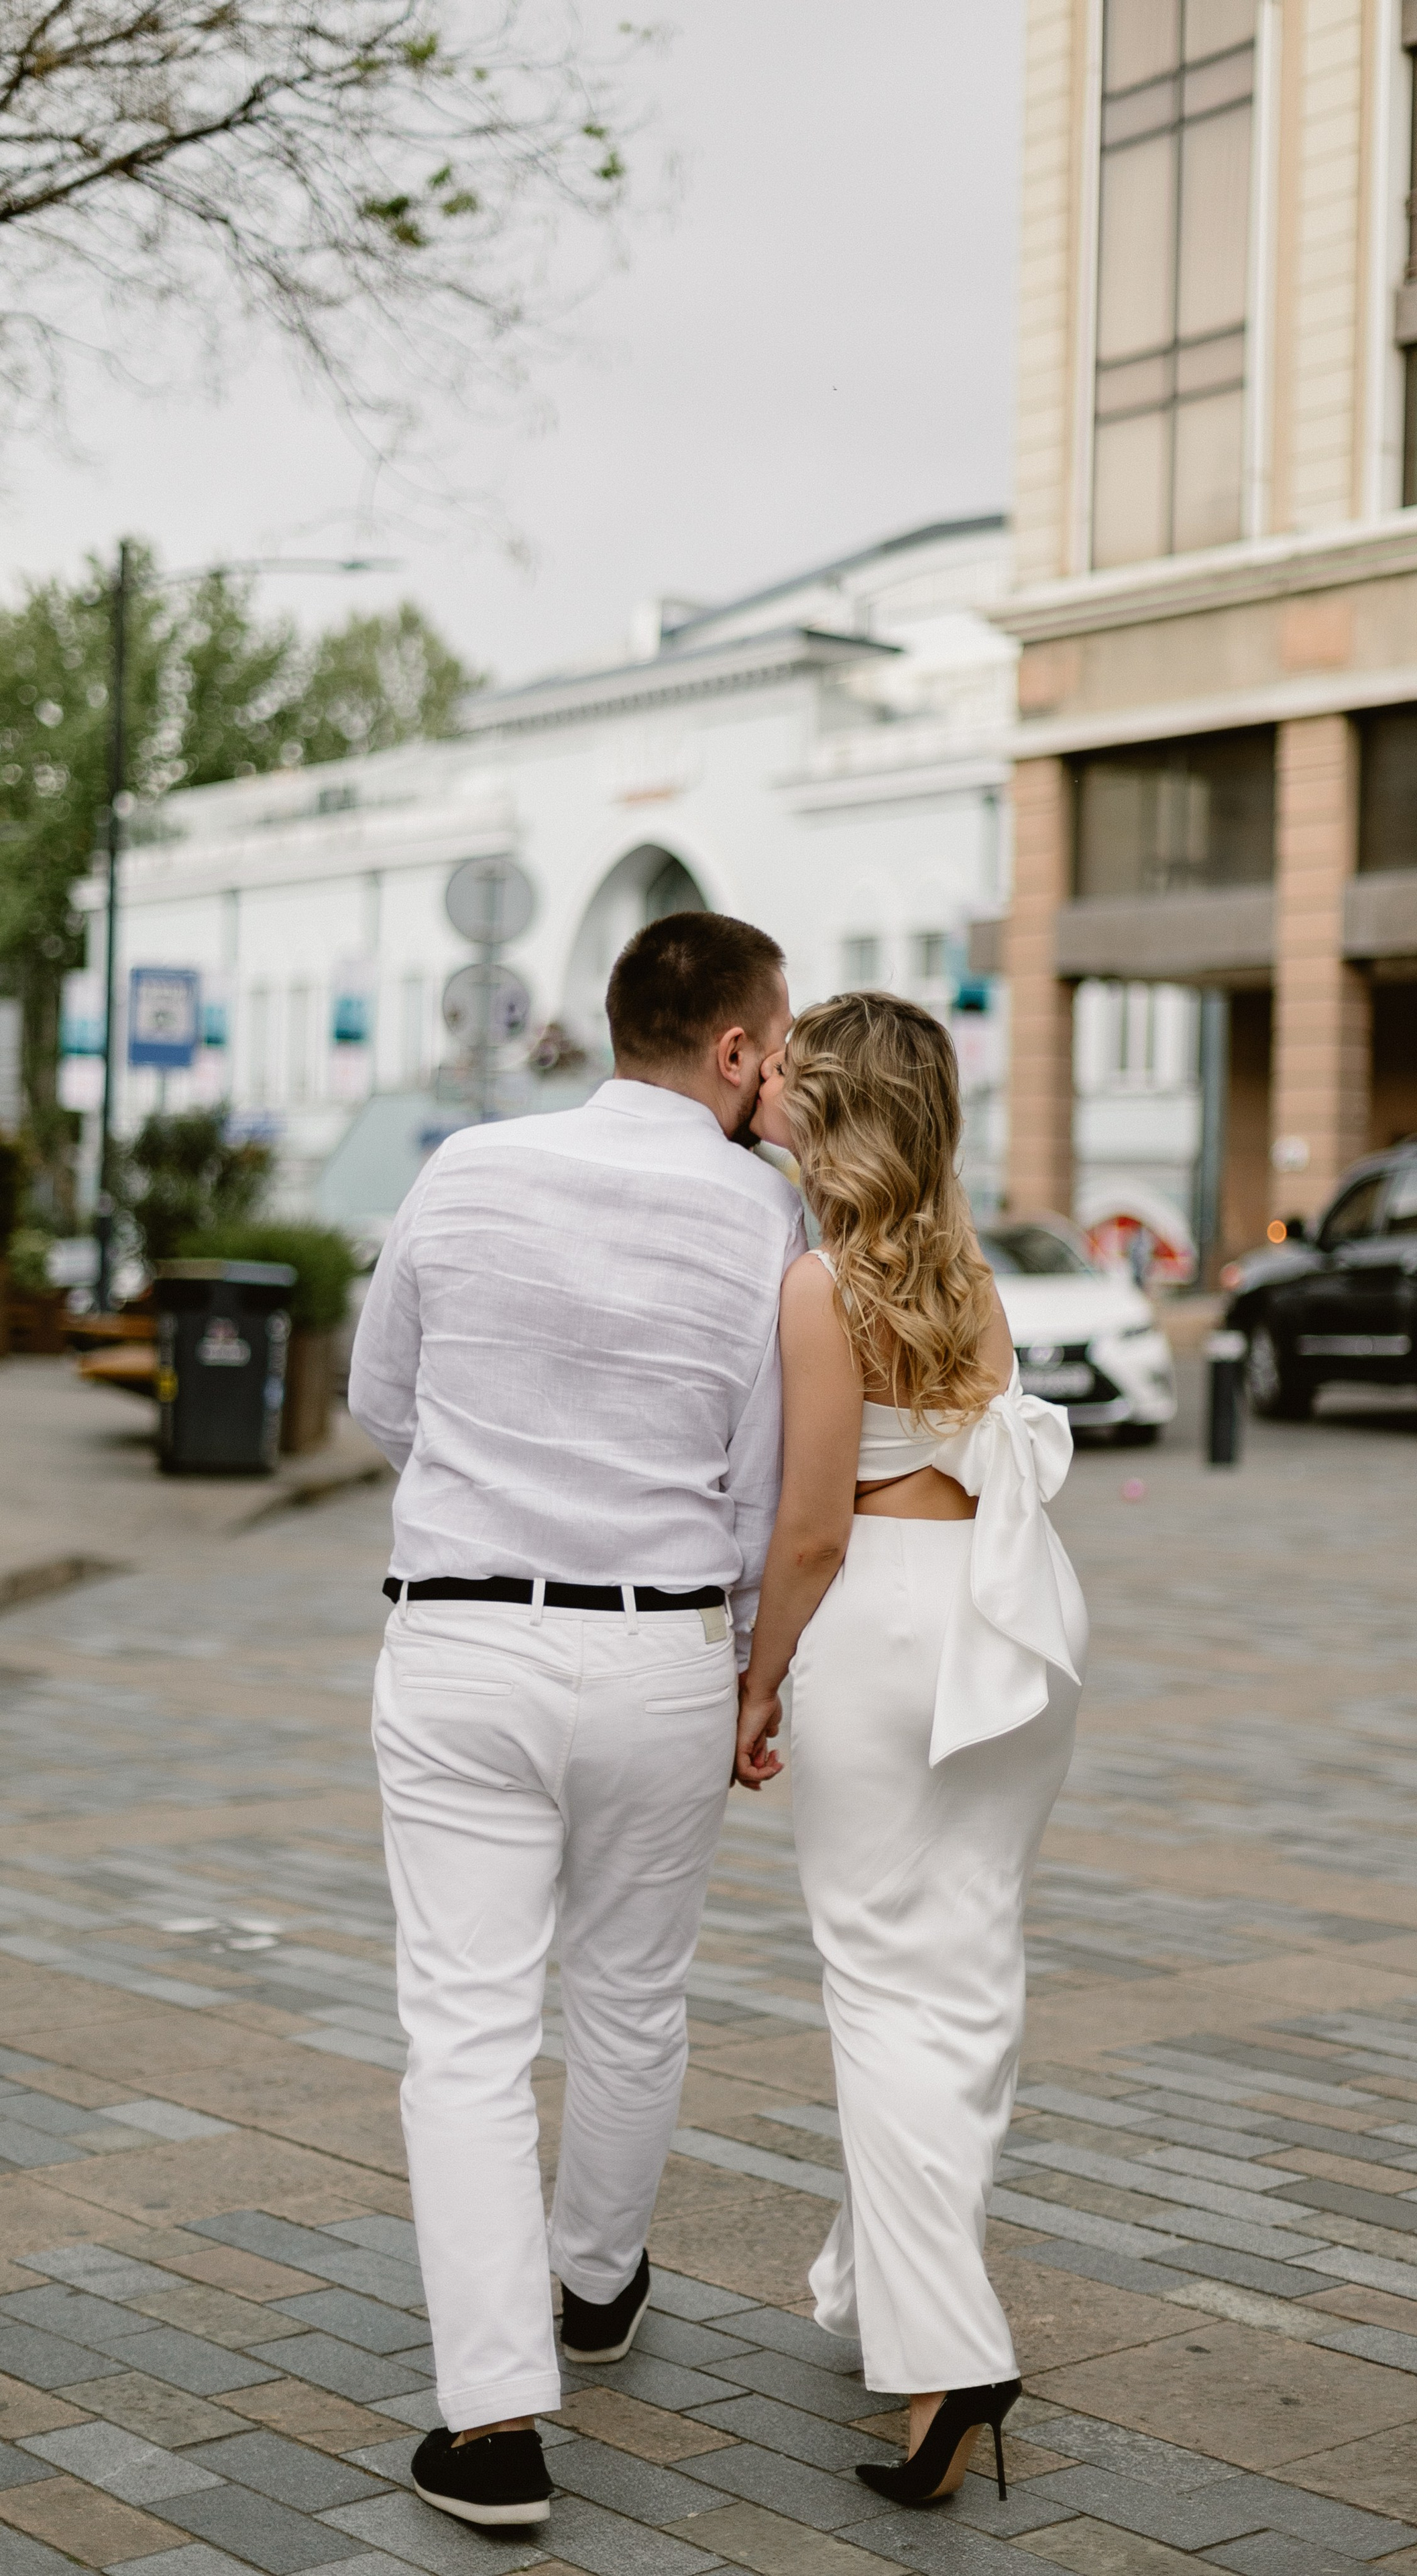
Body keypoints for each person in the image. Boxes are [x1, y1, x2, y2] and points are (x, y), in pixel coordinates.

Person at [348, 912, 801, 2529]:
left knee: (463, 2032)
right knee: (631, 1994)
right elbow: (760, 1484)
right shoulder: (766, 1214)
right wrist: (745, 1663)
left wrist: (498, 1497)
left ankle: (491, 2428)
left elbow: (379, 1397)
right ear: (735, 1050)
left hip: (462, 1636)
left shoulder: (466, 1166)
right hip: (662, 1649)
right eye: (779, 1046)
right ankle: (596, 2284)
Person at [734, 991, 1086, 2508]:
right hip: (1004, 1630)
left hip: (880, 1628)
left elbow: (813, 1528)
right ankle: (891, 2280)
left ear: (834, 1112)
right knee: (966, 1976)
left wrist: (755, 1685)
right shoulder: (971, 1274)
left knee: (877, 1989)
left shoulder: (822, 1288)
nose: (769, 1093)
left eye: (791, 1081)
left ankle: (948, 2360)